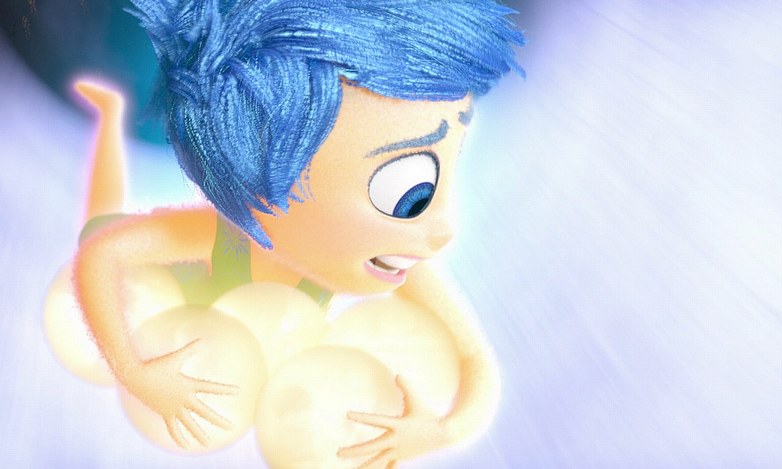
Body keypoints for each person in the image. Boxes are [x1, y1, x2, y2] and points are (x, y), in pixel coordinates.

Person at [70, 0, 523, 466]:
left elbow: (475, 361)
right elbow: (102, 255)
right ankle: (109, 116)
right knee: (98, 227)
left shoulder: (386, 259)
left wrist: (443, 431)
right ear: (266, 183)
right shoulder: (227, 235)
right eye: (409, 195)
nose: (447, 230)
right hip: (162, 305)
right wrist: (134, 371)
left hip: (244, 368)